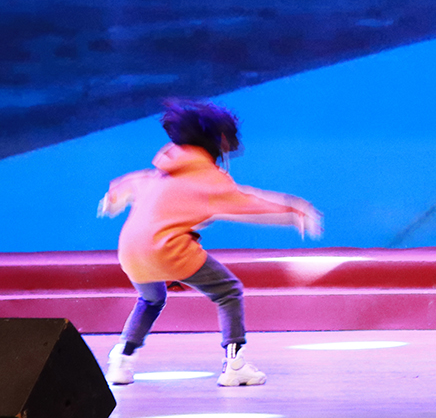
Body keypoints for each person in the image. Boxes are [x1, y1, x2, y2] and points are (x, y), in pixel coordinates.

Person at [97, 100, 322, 387]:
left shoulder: (161, 171)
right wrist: (293, 210)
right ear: (219, 141)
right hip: (169, 249)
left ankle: (121, 360)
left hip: (130, 250)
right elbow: (247, 203)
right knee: (228, 291)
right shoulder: (208, 178)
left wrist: (113, 198)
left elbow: (130, 183)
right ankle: (235, 365)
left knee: (151, 299)